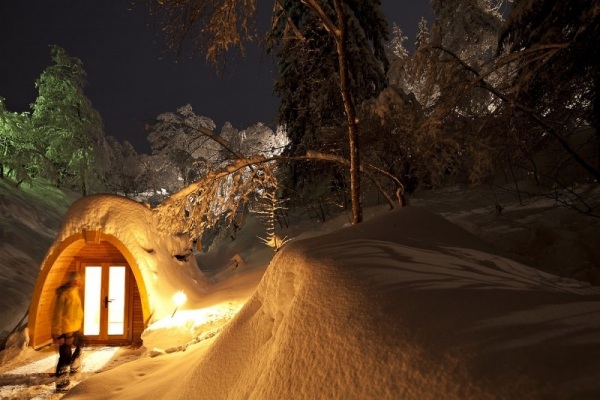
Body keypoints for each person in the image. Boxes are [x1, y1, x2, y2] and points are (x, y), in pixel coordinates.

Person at [51, 271, 84, 391]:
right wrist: (58, 334)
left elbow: (75, 312)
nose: (80, 281)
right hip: (65, 330)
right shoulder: (64, 294)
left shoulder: (74, 292)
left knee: (80, 346)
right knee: (65, 355)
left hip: (74, 328)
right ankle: (61, 382)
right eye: (78, 279)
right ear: (73, 281)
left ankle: (74, 367)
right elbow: (57, 315)